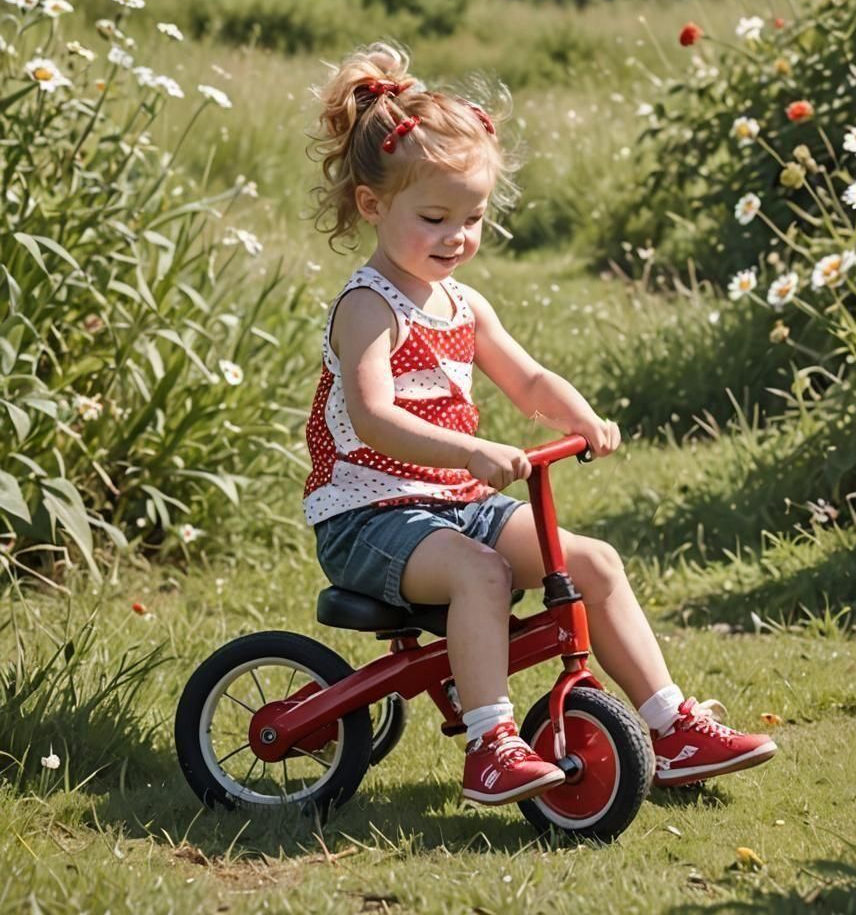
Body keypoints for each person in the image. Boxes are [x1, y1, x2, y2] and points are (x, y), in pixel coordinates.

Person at [303, 41, 777, 806]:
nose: (457, 237)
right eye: (434, 218)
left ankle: (672, 726)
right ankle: (491, 743)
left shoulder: (463, 303)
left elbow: (525, 379)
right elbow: (374, 417)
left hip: (452, 502)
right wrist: (473, 449)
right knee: (480, 573)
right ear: (372, 206)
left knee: (592, 564)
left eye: (474, 218)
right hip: (368, 516)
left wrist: (580, 415)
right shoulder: (368, 307)